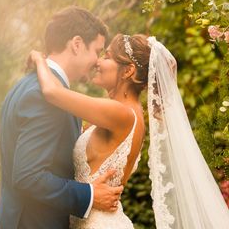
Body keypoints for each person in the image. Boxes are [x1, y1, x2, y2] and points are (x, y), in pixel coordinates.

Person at [30, 33, 229, 228]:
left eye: (106, 56)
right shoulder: (127, 114)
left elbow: (52, 92)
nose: (98, 62)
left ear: (128, 71)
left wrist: (40, 59)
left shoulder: (121, 113)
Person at [0, 6, 123, 229]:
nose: (97, 60)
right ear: (76, 44)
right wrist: (89, 195)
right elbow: (28, 176)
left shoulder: (27, 85)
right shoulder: (44, 97)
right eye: (97, 51)